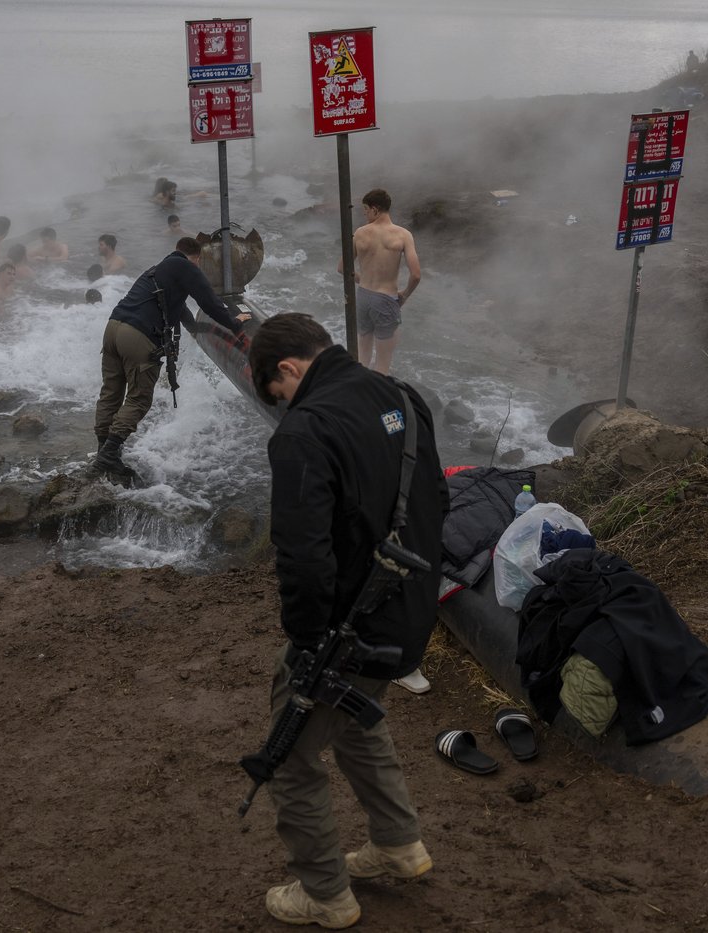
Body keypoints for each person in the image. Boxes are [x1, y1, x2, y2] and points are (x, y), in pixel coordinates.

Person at [245, 312, 444, 929]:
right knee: (359, 720)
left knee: (292, 759)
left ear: (288, 368)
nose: (283, 406)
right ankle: (397, 845)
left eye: (278, 394)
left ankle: (325, 894)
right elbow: (436, 498)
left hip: (345, 633)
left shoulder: (305, 432)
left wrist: (307, 645)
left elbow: (303, 558)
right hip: (407, 613)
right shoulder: (401, 396)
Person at [91, 237, 251, 475]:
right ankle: (109, 455)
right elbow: (208, 300)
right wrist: (233, 323)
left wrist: (195, 330)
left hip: (113, 328)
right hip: (138, 336)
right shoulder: (185, 266)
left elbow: (180, 309)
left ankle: (103, 451)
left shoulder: (157, 269)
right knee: (138, 399)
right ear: (196, 258)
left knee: (111, 392)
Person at [341, 188, 421, 375]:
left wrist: (363, 279)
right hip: (386, 299)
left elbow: (342, 268)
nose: (365, 215)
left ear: (375, 209)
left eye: (366, 211)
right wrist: (404, 296)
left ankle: (358, 392)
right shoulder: (403, 235)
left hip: (363, 297)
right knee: (382, 364)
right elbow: (416, 275)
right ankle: (376, 399)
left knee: (362, 357)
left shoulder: (359, 233)